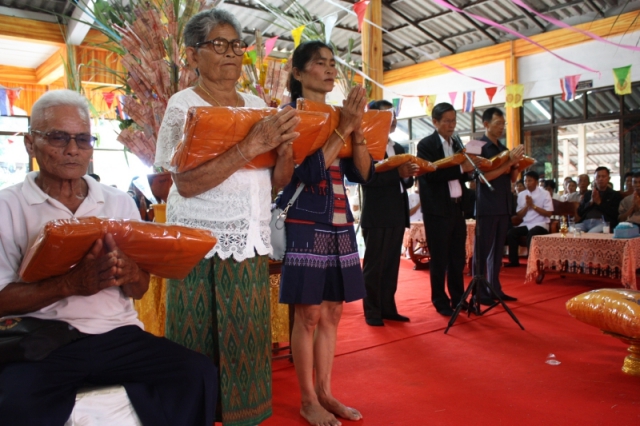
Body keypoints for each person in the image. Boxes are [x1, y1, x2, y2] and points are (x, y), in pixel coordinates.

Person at [0, 90, 216, 425]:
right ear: (31, 144)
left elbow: (140, 289)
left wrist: (130, 273)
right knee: (14, 401)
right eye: (58, 137)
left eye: (83, 139)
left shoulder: (118, 202)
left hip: (117, 335)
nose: (73, 149)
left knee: (197, 373)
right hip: (45, 338)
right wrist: (70, 284)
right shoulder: (7, 207)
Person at [154, 9, 300, 425]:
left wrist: (286, 151)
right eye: (219, 44)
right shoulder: (184, 105)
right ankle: (193, 416)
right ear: (192, 55)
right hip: (198, 241)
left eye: (237, 44)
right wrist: (252, 145)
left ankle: (245, 415)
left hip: (248, 239)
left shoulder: (256, 106)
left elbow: (275, 183)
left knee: (246, 338)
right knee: (194, 338)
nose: (232, 53)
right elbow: (186, 184)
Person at [277, 40, 373, 426]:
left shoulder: (339, 115)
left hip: (340, 222)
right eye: (321, 63)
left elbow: (362, 173)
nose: (331, 69)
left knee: (333, 311)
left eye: (333, 62)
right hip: (305, 220)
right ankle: (307, 399)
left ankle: (326, 392)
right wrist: (345, 127)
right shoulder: (289, 117)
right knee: (308, 313)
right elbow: (307, 173)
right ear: (299, 73)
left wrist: (358, 130)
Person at [417, 102, 477, 316]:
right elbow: (431, 175)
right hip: (437, 211)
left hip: (457, 208)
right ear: (435, 122)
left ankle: (458, 299)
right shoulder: (426, 145)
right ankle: (440, 300)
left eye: (454, 121)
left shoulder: (457, 143)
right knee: (440, 259)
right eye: (447, 121)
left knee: (457, 258)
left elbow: (461, 175)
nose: (452, 125)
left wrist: (469, 170)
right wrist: (461, 168)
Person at [361, 100, 417, 326]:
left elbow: (406, 181)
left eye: (393, 115)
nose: (392, 120)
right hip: (376, 214)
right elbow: (367, 178)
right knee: (374, 266)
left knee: (391, 265)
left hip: (397, 212)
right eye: (386, 116)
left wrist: (408, 174)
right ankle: (372, 311)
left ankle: (388, 307)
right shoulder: (366, 146)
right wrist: (398, 174)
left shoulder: (399, 147)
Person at [473, 107, 524, 305]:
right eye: (498, 124)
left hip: (503, 205)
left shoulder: (503, 148)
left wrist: (516, 164)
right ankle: (479, 292)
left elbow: (512, 178)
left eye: (503, 124)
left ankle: (494, 288)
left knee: (497, 253)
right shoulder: (477, 146)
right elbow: (482, 178)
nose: (501, 127)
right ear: (486, 124)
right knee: (483, 251)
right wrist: (508, 163)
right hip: (487, 206)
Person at [505, 170, 553, 267]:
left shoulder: (545, 193)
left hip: (541, 224)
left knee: (532, 234)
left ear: (536, 181)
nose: (527, 183)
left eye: (530, 180)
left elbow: (549, 213)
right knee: (511, 233)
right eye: (525, 181)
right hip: (526, 224)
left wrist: (533, 206)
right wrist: (527, 206)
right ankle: (514, 261)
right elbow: (519, 215)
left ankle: (532, 262)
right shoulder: (521, 194)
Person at [576, 167, 622, 233]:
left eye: (603, 176)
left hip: (603, 223)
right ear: (595, 179)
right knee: (570, 230)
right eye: (598, 177)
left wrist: (600, 203)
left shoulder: (614, 195)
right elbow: (580, 212)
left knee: (591, 234)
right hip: (585, 222)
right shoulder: (588, 194)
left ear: (608, 178)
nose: (600, 179)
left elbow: (615, 214)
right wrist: (590, 202)